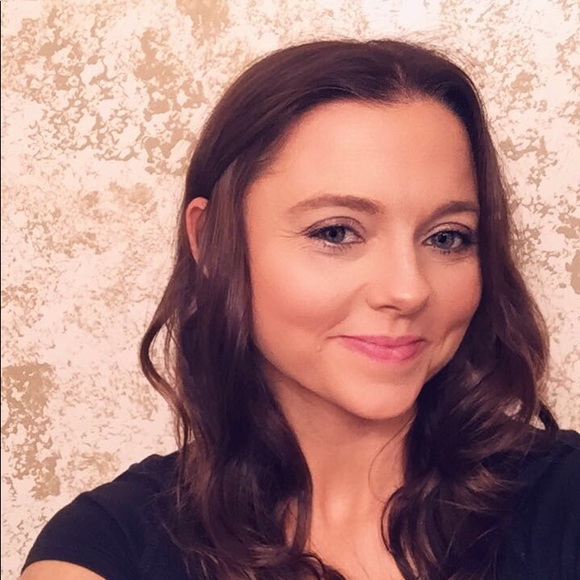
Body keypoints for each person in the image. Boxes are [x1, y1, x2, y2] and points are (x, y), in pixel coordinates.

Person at [21, 39, 579, 580]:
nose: (409, 290)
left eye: (447, 237)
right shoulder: (105, 549)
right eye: (336, 232)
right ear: (211, 240)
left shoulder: (565, 499)